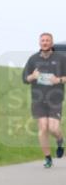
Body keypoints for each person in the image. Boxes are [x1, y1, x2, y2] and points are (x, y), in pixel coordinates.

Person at [21, 33, 64, 168]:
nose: (45, 43)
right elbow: (24, 79)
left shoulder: (61, 58)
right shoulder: (33, 59)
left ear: (51, 43)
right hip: (38, 99)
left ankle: (60, 140)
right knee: (43, 126)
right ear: (40, 43)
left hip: (55, 98)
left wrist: (59, 80)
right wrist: (32, 76)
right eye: (43, 40)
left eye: (47, 41)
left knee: (53, 128)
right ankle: (47, 158)